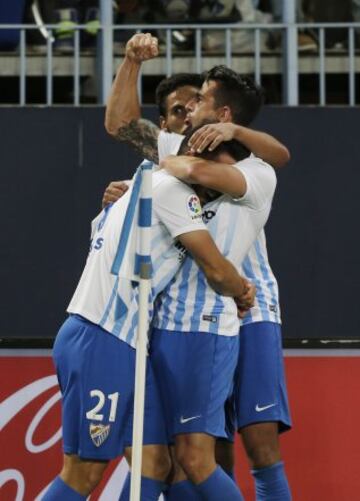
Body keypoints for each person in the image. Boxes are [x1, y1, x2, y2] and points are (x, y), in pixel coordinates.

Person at [104, 32, 292, 501]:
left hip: (251, 303)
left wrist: (156, 175)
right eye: (180, 107)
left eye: (198, 102)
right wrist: (130, 62)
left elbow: (282, 154)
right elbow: (121, 123)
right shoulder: (176, 146)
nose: (188, 112)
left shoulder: (250, 164)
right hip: (191, 309)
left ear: (223, 115)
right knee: (199, 447)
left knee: (258, 442)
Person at [43, 159, 252, 500]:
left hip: (130, 344)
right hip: (102, 336)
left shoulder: (136, 186)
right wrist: (242, 290)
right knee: (84, 470)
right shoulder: (174, 191)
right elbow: (216, 270)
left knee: (154, 461)